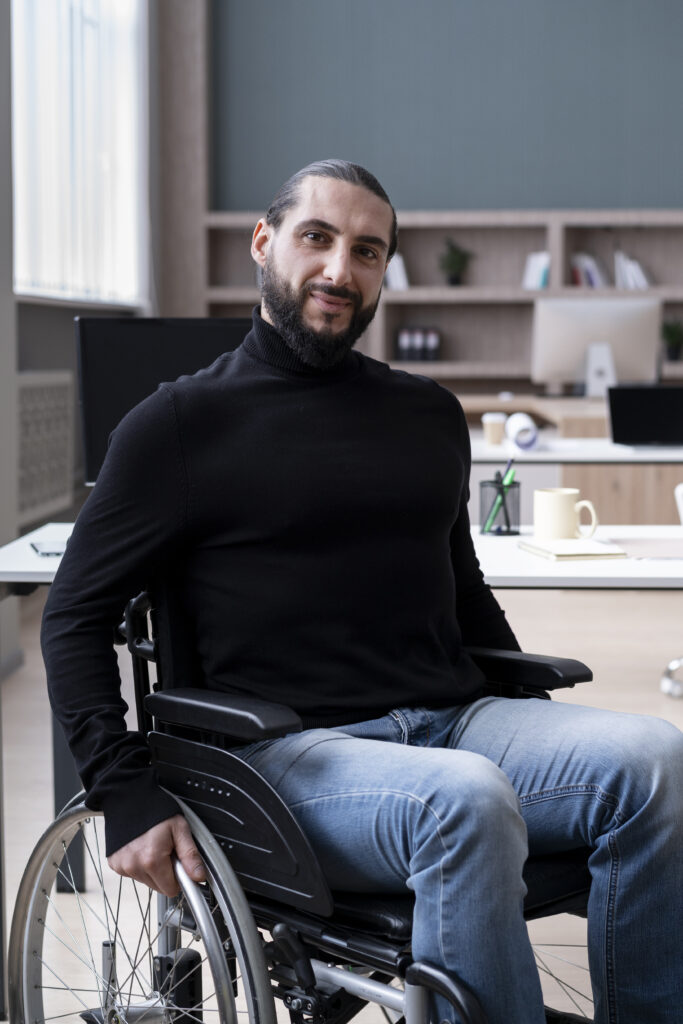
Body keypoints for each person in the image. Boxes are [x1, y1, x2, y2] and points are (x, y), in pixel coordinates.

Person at [42, 159, 683, 1024]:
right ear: (264, 244)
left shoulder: (426, 414)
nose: (340, 270)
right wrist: (122, 789)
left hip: (450, 721)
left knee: (656, 760)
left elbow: (461, 590)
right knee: (463, 797)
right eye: (318, 238)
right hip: (285, 755)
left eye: (368, 251)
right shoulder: (178, 425)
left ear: (386, 268)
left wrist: (526, 700)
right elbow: (75, 617)